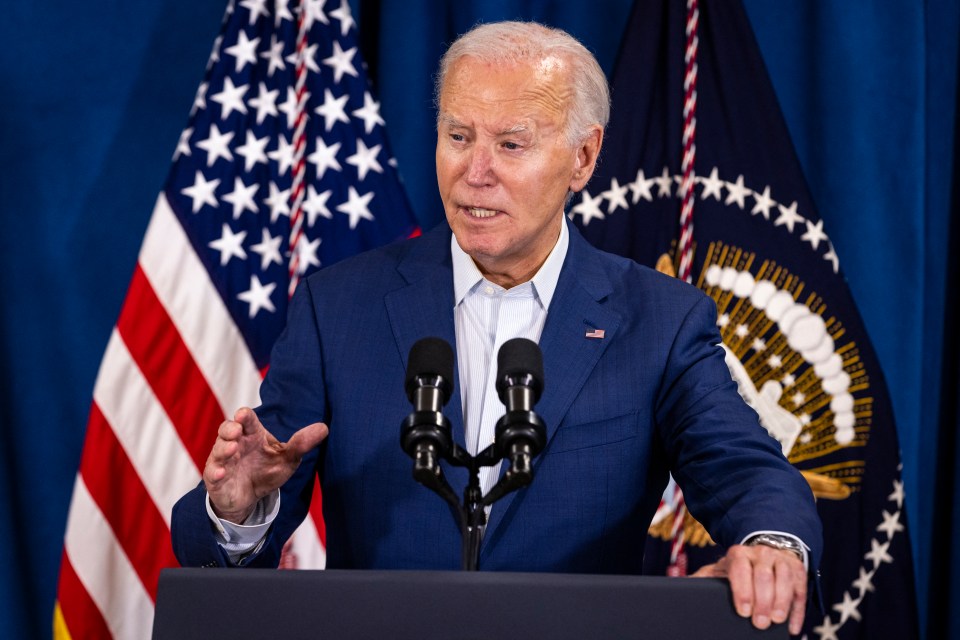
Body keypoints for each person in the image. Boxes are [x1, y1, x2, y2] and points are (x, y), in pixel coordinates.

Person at [172, 21, 822, 635]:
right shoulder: (338, 307)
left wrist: (770, 543)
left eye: (510, 144)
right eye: (458, 136)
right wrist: (236, 509)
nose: (474, 171)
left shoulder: (659, 320)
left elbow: (744, 469)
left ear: (583, 157)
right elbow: (233, 549)